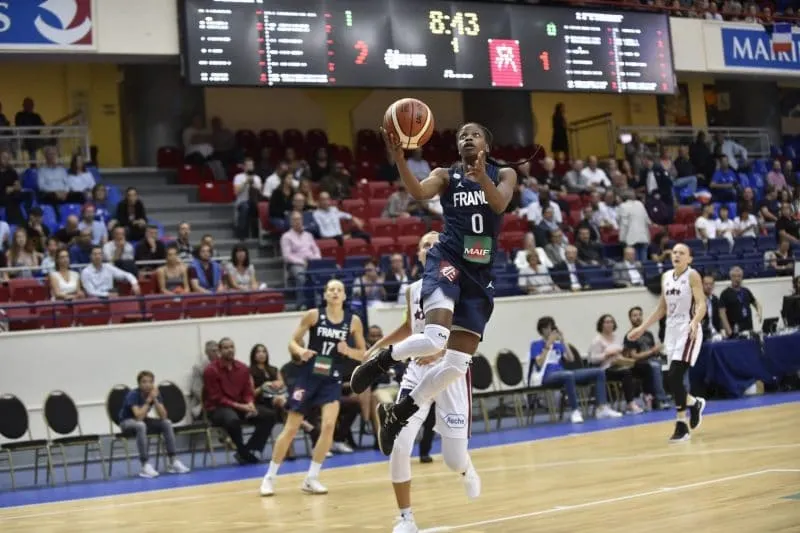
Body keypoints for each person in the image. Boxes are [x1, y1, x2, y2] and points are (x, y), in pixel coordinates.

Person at [350, 122, 516, 456]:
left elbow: (499, 204)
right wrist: (400, 158)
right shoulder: (445, 175)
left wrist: (482, 177)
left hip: (479, 272)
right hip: (448, 259)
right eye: (462, 135)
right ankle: (383, 361)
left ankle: (399, 412)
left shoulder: (504, 173)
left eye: (474, 134)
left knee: (455, 365)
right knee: (436, 337)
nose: (467, 138)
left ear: (487, 145)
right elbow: (418, 192)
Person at [362, 232, 480, 533]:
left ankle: (465, 468)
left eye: (435, 242)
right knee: (400, 443)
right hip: (416, 371)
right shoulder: (412, 289)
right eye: (424, 244)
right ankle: (406, 517)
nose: (430, 246)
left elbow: (469, 327)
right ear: (418, 254)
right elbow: (409, 326)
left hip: (450, 370)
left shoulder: (459, 281)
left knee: (453, 460)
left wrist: (440, 347)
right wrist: (379, 346)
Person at [259, 279, 366, 496]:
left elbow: (363, 354)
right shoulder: (314, 315)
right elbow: (292, 341)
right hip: (309, 376)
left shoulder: (353, 321)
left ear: (344, 296)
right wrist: (300, 351)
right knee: (291, 428)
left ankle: (312, 477)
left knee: (328, 426)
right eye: (331, 289)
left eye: (339, 290)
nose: (335, 292)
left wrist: (348, 351)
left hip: (332, 378)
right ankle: (269, 477)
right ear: (325, 294)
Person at [628, 243, 707, 442]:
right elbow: (661, 309)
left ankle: (681, 425)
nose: (676, 255)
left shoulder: (692, 275)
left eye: (681, 253)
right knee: (668, 381)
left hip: (688, 330)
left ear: (689, 259)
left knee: (675, 375)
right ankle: (694, 403)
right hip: (671, 332)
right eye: (674, 252)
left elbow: (702, 304)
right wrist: (641, 328)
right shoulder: (666, 277)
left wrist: (695, 322)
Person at [204, 338, 277, 464]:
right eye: (226, 348)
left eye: (232, 347)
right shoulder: (211, 370)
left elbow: (248, 391)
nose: (230, 350)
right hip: (218, 408)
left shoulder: (242, 368)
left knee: (270, 415)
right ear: (220, 351)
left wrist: (250, 403)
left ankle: (248, 449)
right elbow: (217, 398)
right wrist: (240, 406)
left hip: (240, 406)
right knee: (232, 419)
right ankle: (243, 452)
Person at [118, 370, 190, 478]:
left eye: (150, 382)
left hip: (142, 420)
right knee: (141, 425)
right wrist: (148, 400)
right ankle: (145, 465)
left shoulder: (154, 393)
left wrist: (155, 399)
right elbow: (138, 417)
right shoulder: (133, 394)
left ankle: (173, 461)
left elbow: (164, 416)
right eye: (144, 382)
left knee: (167, 423)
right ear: (139, 384)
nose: (147, 385)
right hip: (127, 421)